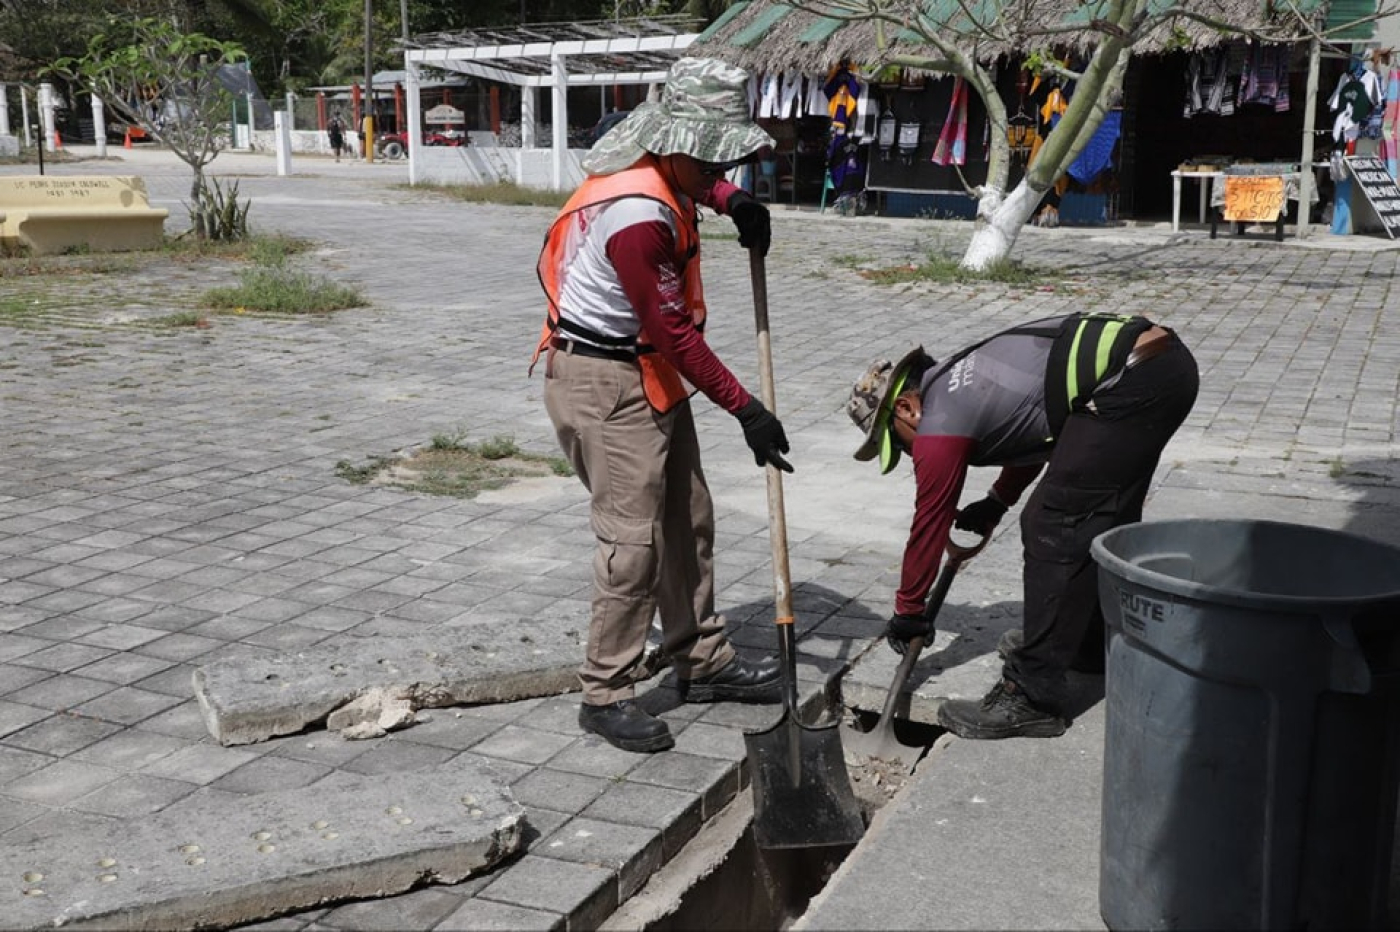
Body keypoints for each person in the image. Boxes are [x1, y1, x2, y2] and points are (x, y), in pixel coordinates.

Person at [529, 57, 788, 754]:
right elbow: (673, 332)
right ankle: (605, 691)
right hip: (604, 383)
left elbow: (691, 176)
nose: (716, 168)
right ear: (674, 140)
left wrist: (733, 200)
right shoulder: (638, 219)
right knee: (632, 544)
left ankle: (701, 659)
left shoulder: (663, 164)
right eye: (711, 160)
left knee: (688, 518)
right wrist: (747, 409)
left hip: (645, 372)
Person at [847, 313, 1198, 740]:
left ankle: (1032, 695)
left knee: (1054, 522)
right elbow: (1037, 431)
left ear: (906, 407)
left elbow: (930, 520)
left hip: (1131, 378)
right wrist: (997, 501)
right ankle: (1083, 647)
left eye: (896, 441)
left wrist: (908, 610)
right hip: (1158, 368)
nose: (906, 452)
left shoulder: (938, 418)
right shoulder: (960, 381)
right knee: (1099, 514)